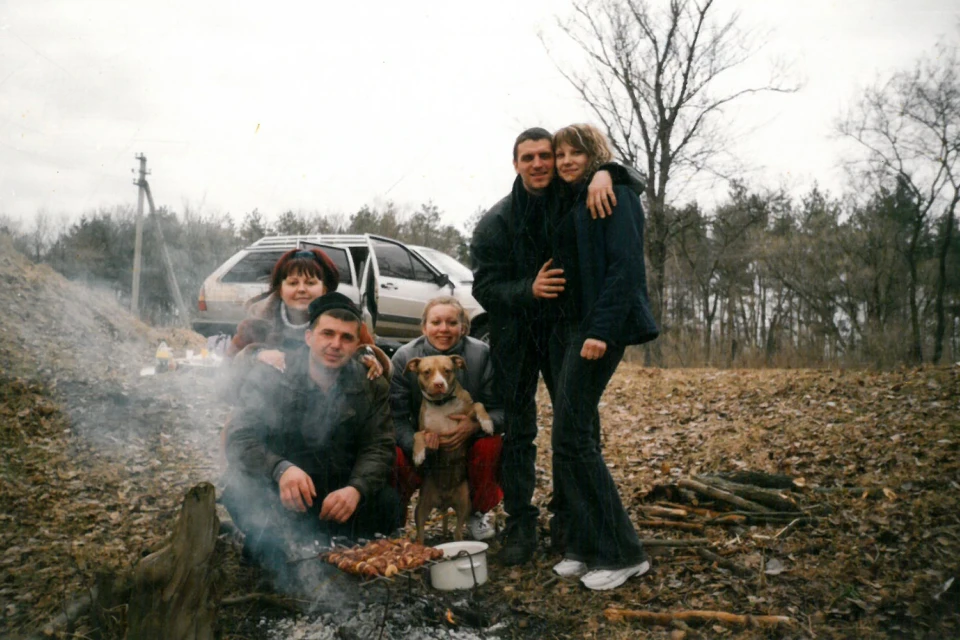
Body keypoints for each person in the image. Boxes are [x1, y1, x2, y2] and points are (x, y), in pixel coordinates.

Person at [470, 127, 644, 566]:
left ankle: (570, 520)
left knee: (576, 423)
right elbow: (485, 288)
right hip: (515, 335)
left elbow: (620, 183)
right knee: (519, 429)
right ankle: (521, 521)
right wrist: (528, 289)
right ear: (515, 164)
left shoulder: (574, 195)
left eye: (545, 155)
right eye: (528, 157)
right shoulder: (496, 220)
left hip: (565, 331)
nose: (540, 164)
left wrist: (609, 171)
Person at [544, 123, 658, 590]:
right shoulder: (576, 195)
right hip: (572, 328)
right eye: (561, 153)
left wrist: (601, 331)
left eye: (578, 152)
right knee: (571, 434)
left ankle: (623, 552)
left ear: (595, 155)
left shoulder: (616, 194)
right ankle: (585, 545)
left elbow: (626, 268)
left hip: (597, 330)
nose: (567, 160)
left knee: (573, 437)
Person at [221, 292, 400, 577]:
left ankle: (336, 546)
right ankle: (272, 545)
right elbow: (240, 438)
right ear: (309, 337)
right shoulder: (272, 374)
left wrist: (356, 489)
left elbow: (379, 446)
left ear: (356, 345)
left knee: (389, 503)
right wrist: (280, 469)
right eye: (327, 333)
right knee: (241, 490)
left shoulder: (369, 384)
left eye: (346, 338)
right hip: (283, 491)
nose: (335, 345)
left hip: (337, 494)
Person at [389, 296, 504, 541]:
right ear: (424, 327)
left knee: (490, 446)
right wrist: (416, 443)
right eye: (436, 322)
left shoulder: (480, 355)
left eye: (452, 322)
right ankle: (395, 517)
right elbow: (394, 419)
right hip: (425, 448)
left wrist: (473, 427)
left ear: (463, 327)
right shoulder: (404, 358)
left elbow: (501, 411)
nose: (444, 329)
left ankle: (477, 512)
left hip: (465, 449)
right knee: (394, 455)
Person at [226, 247, 389, 377]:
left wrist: (367, 358)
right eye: (293, 283)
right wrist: (255, 355)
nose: (302, 289)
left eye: (311, 283)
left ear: (324, 289)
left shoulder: (346, 325)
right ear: (280, 289)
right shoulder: (256, 324)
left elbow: (372, 358)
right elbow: (227, 371)